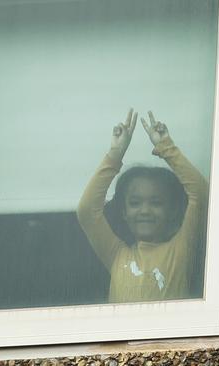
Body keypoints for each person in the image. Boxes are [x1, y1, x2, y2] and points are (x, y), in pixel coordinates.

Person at [76, 109, 209, 302]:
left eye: (156, 203)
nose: (145, 210)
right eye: (135, 203)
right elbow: (87, 211)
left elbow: (201, 194)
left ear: (172, 212)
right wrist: (115, 154)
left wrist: (167, 147)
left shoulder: (181, 249)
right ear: (124, 212)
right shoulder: (117, 256)